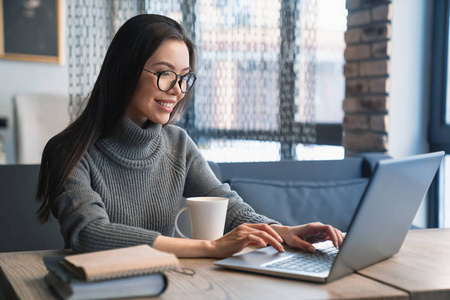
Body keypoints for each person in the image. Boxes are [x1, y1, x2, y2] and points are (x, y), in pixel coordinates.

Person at [36, 14, 343, 258]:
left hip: (173, 285)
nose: (177, 90)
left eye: (184, 77)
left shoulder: (178, 144)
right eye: (165, 73)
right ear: (126, 71)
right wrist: (210, 248)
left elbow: (227, 204)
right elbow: (91, 234)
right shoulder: (68, 151)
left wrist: (283, 231)